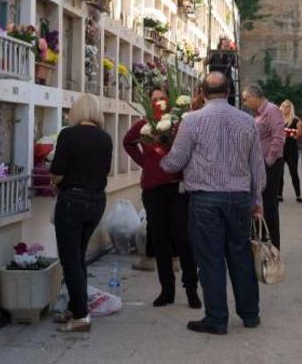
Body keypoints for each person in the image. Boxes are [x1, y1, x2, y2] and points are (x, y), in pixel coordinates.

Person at [160, 72, 265, 335]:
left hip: (206, 199)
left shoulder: (192, 121)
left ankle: (217, 319)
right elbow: (257, 168)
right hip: (240, 198)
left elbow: (175, 161)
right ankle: (250, 314)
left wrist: (158, 159)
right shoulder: (247, 121)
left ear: (202, 93)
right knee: (240, 256)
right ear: (229, 92)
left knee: (210, 260)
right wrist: (257, 200)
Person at [123, 88, 201, 309]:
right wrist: (145, 163)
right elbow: (128, 142)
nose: (158, 102)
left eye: (161, 99)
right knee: (159, 240)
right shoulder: (145, 125)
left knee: (183, 239)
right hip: (153, 189)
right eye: (154, 99)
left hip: (178, 187)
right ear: (149, 102)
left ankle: (192, 289)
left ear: (169, 101)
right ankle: (167, 289)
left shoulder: (179, 123)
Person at [50, 94, 113, 332]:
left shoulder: (68, 134)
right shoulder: (105, 138)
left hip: (72, 202)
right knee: (79, 256)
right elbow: (103, 170)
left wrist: (55, 180)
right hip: (97, 201)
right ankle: (77, 306)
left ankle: (80, 316)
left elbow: (57, 171)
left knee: (70, 259)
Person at [242, 84, 286, 249]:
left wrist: (267, 161)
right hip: (261, 164)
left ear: (254, 97)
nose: (245, 103)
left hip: (270, 165)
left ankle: (273, 246)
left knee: (269, 205)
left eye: (246, 99)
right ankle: (262, 243)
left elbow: (278, 138)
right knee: (259, 203)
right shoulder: (260, 113)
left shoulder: (272, 110)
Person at [279, 100, 302, 204]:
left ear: (291, 108)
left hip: (292, 150)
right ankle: (279, 195)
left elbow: (299, 134)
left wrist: (285, 132)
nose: (286, 108)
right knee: (279, 173)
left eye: (288, 106)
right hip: (280, 149)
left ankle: (298, 195)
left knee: (294, 173)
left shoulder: (296, 120)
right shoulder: (277, 119)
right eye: (284, 106)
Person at [206, 37, 237, 105]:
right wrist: (208, 57)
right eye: (225, 46)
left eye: (228, 46)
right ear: (220, 46)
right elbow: (205, 63)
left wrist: (236, 57)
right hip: (214, 80)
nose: (227, 48)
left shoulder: (230, 55)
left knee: (231, 93)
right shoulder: (213, 53)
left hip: (227, 80)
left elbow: (236, 66)